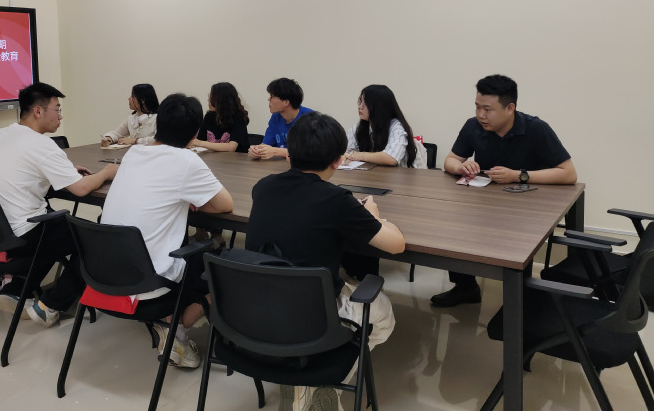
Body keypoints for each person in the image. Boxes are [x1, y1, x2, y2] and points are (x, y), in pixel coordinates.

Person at [246, 111, 405, 410]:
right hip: (310, 316)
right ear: (338, 161)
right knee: (383, 313)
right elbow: (396, 245)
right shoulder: (337, 201)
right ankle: (320, 382)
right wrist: (372, 217)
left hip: (252, 310)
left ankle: (303, 379)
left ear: (288, 154)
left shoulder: (263, 187)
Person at [101, 93, 234, 368]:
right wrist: (190, 197)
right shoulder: (186, 161)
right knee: (226, 265)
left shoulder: (133, 153)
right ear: (195, 133)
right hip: (148, 284)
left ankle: (173, 323)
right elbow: (225, 205)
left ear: (158, 124)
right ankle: (176, 327)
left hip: (103, 274)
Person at [0, 82, 118, 326]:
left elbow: (20, 171)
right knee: (95, 240)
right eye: (57, 109)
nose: (60, 116)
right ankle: (51, 305)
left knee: (54, 224)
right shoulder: (41, 144)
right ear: (38, 111)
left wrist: (63, 171)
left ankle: (16, 290)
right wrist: (107, 172)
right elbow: (81, 189)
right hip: (20, 234)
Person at [433, 74, 578, 308]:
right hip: (485, 204)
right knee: (456, 224)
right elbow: (450, 160)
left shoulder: (536, 128)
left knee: (518, 242)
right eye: (477, 107)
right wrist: (461, 167)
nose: (481, 115)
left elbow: (569, 174)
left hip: (527, 210)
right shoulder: (473, 126)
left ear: (510, 108)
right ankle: (465, 287)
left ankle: (521, 298)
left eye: (488, 109)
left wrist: (518, 175)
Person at [342, 84, 427, 168]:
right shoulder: (360, 127)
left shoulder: (396, 127)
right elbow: (344, 150)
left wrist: (359, 155)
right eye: (360, 101)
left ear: (379, 107)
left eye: (365, 103)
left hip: (404, 175)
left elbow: (392, 158)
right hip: (374, 174)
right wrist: (346, 156)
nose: (360, 107)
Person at [248, 77, 312, 160]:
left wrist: (276, 152)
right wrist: (256, 150)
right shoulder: (276, 117)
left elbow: (310, 153)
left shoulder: (311, 119)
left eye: (272, 96)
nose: (268, 99)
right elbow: (266, 144)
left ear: (286, 102)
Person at [189, 82, 250, 153]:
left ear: (222, 101)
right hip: (213, 158)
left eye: (212, 97)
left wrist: (200, 143)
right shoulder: (209, 116)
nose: (208, 100)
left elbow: (231, 147)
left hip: (235, 159)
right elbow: (199, 140)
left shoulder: (239, 118)